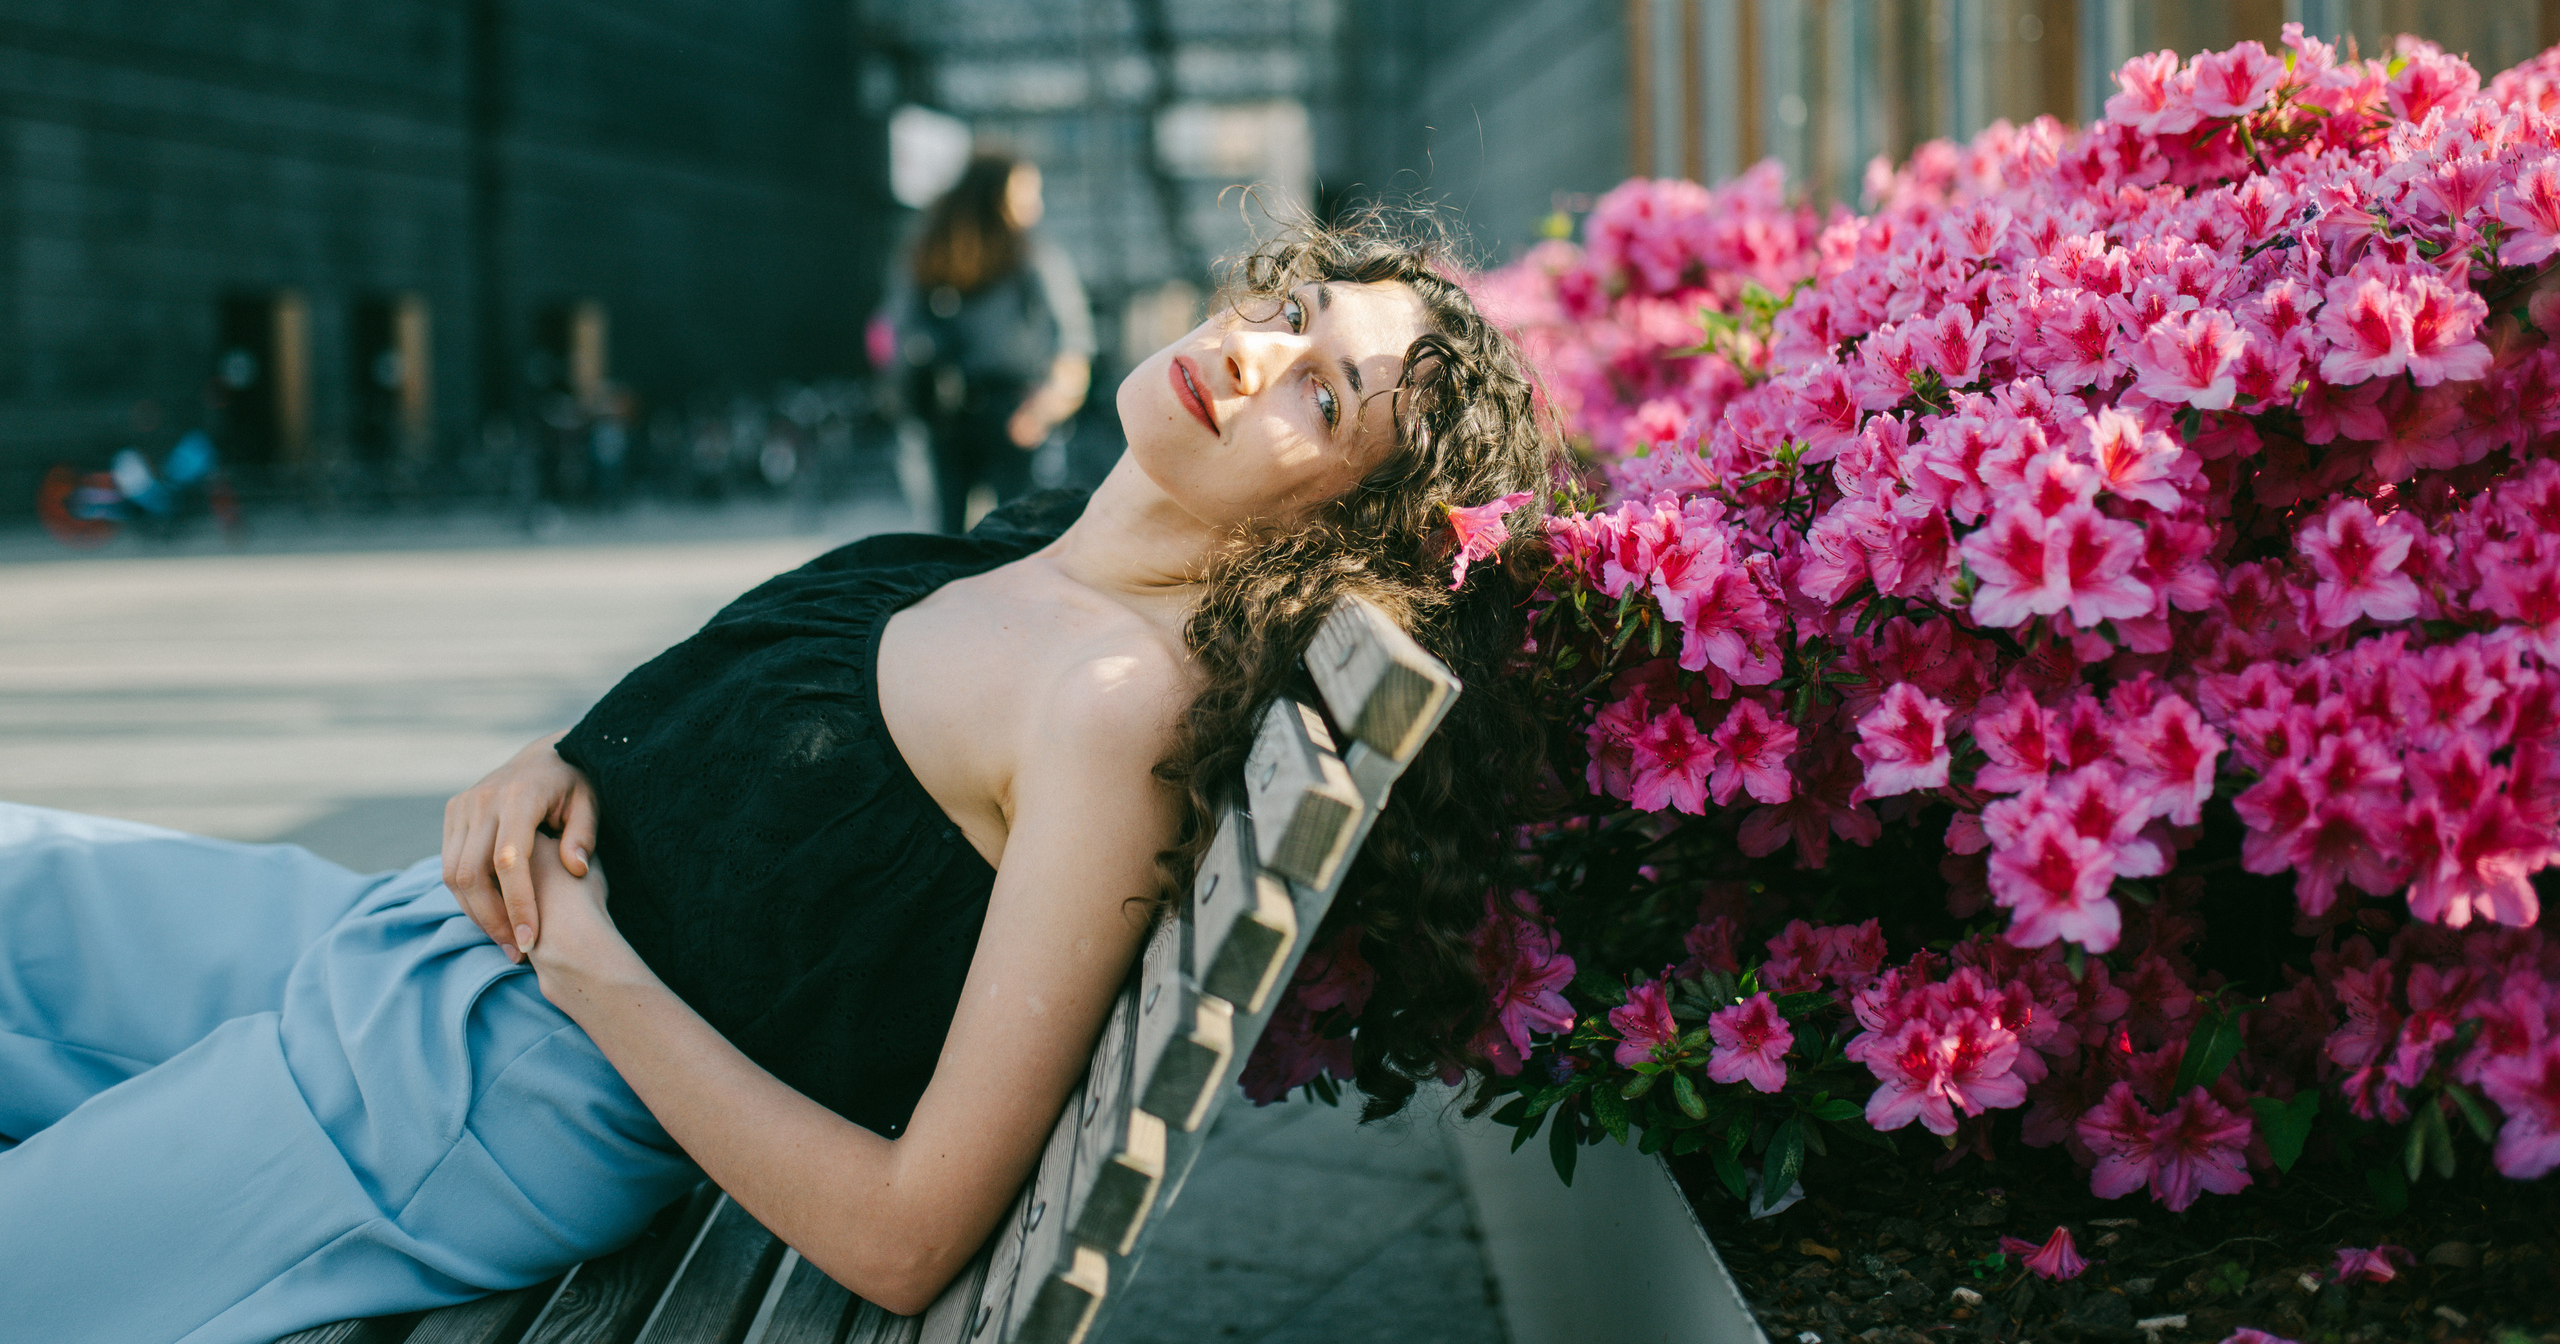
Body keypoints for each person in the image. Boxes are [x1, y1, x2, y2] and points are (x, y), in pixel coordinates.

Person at [0, 218, 1554, 1344]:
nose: (1254, 351)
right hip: (422, 940)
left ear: (1336, 532)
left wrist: (596, 974)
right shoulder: (1037, 541)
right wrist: (558, 754)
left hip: (466, 1088)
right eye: (1292, 307)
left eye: (1325, 398)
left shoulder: (1113, 707)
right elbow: (749, 735)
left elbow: (906, 1233)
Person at [895, 153, 1096, 532]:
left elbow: (1072, 341)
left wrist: (1046, 406)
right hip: (953, 411)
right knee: (972, 534)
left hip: (1011, 411)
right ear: (995, 197)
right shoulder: (937, 256)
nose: (1035, 207)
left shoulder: (1030, 256)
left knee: (1010, 531)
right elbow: (904, 330)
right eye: (1025, 194)